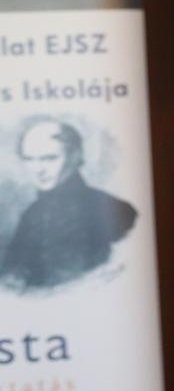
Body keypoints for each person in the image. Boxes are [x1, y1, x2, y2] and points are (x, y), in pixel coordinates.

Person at [2, 118, 137, 294]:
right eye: (29, 159)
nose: (38, 169)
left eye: (49, 158)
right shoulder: (31, 214)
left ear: (75, 156)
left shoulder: (116, 209)